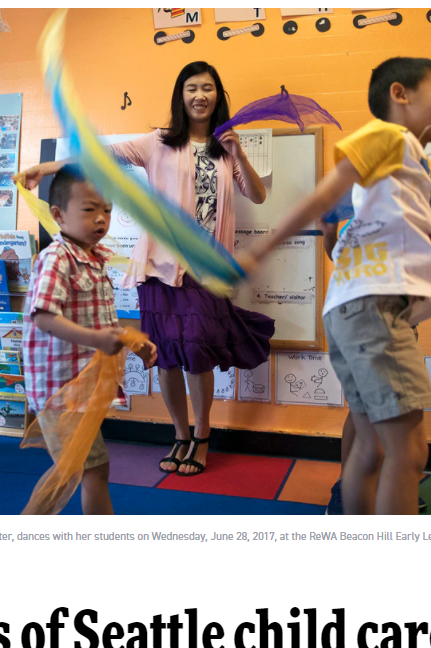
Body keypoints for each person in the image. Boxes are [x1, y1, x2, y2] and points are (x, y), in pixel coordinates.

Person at [15, 61, 273, 476]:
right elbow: (101, 157)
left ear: (218, 97)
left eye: (208, 88)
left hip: (207, 270)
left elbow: (258, 196)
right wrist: (46, 168)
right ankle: (181, 435)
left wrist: (237, 152)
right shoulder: (158, 143)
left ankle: (203, 436)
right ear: (181, 94)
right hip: (160, 268)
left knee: (198, 354)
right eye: (192, 88)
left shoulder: (225, 148)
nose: (199, 95)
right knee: (168, 357)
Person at [238, 57, 431, 515]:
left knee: (373, 448)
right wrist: (264, 248)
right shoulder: (389, 137)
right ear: (401, 95)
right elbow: (322, 197)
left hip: (360, 308)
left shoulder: (416, 171)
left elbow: (410, 256)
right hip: (371, 309)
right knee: (409, 451)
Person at [22, 166, 156, 515]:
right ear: (58, 214)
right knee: (78, 470)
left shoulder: (96, 260)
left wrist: (133, 342)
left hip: (84, 388)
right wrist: (97, 339)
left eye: (107, 210)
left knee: (83, 468)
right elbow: (44, 316)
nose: (101, 219)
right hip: (59, 390)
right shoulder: (57, 258)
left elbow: (103, 321)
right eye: (89, 209)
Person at [321, 207, 431, 515]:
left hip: (392, 322)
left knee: (378, 433)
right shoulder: (370, 209)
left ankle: (382, 489)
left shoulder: (416, 211)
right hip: (373, 325)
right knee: (384, 436)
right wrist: (329, 234)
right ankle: (348, 493)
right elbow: (339, 256)